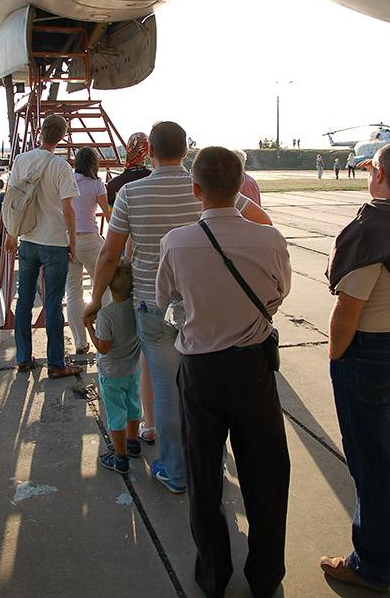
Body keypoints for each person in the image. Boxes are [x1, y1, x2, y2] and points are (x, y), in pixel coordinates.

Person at [83, 121, 273, 496]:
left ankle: (173, 469)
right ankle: (210, 464)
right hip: (201, 303)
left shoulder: (132, 193)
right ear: (185, 150)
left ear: (150, 150)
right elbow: (262, 223)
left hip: (152, 305)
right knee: (204, 388)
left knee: (167, 389)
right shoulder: (203, 187)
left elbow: (109, 254)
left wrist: (95, 298)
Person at [156, 146, 291, 598]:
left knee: (204, 476)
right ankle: (266, 575)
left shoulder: (176, 241)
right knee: (267, 476)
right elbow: (278, 296)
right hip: (252, 368)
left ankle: (213, 575)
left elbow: (164, 299)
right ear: (241, 189)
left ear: (195, 190)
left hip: (200, 370)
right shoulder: (270, 239)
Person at [321, 144, 390, 593]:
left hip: (371, 354)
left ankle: (372, 565)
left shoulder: (375, 227)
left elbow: (349, 308)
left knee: (372, 462)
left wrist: (336, 357)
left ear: (379, 175)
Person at [4, 115, 82, 378]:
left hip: (27, 239)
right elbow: (69, 209)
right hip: (54, 243)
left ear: (39, 132)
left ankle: (24, 357)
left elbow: (12, 200)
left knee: (24, 299)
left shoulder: (21, 160)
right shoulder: (61, 166)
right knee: (52, 303)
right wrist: (73, 241)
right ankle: (56, 364)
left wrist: (11, 233)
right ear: (62, 136)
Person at [106, 132, 155, 443]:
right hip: (163, 270)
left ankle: (139, 419)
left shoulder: (116, 186)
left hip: (131, 264)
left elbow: (113, 237)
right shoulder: (156, 179)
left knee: (133, 336)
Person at [86, 258, 141, 475]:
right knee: (133, 405)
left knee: (116, 414)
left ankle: (120, 457)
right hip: (132, 368)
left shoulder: (107, 315)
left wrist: (88, 325)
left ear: (109, 284)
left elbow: (103, 348)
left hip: (111, 373)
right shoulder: (135, 307)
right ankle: (133, 443)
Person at [65, 147, 111, 355]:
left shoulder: (66, 181)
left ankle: (80, 342)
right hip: (90, 240)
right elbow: (109, 214)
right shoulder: (96, 184)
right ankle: (104, 334)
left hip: (67, 240)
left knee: (73, 292)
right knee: (103, 289)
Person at [106, 132, 151, 208]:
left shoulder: (113, 185)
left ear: (128, 149)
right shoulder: (156, 179)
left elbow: (111, 217)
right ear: (147, 152)